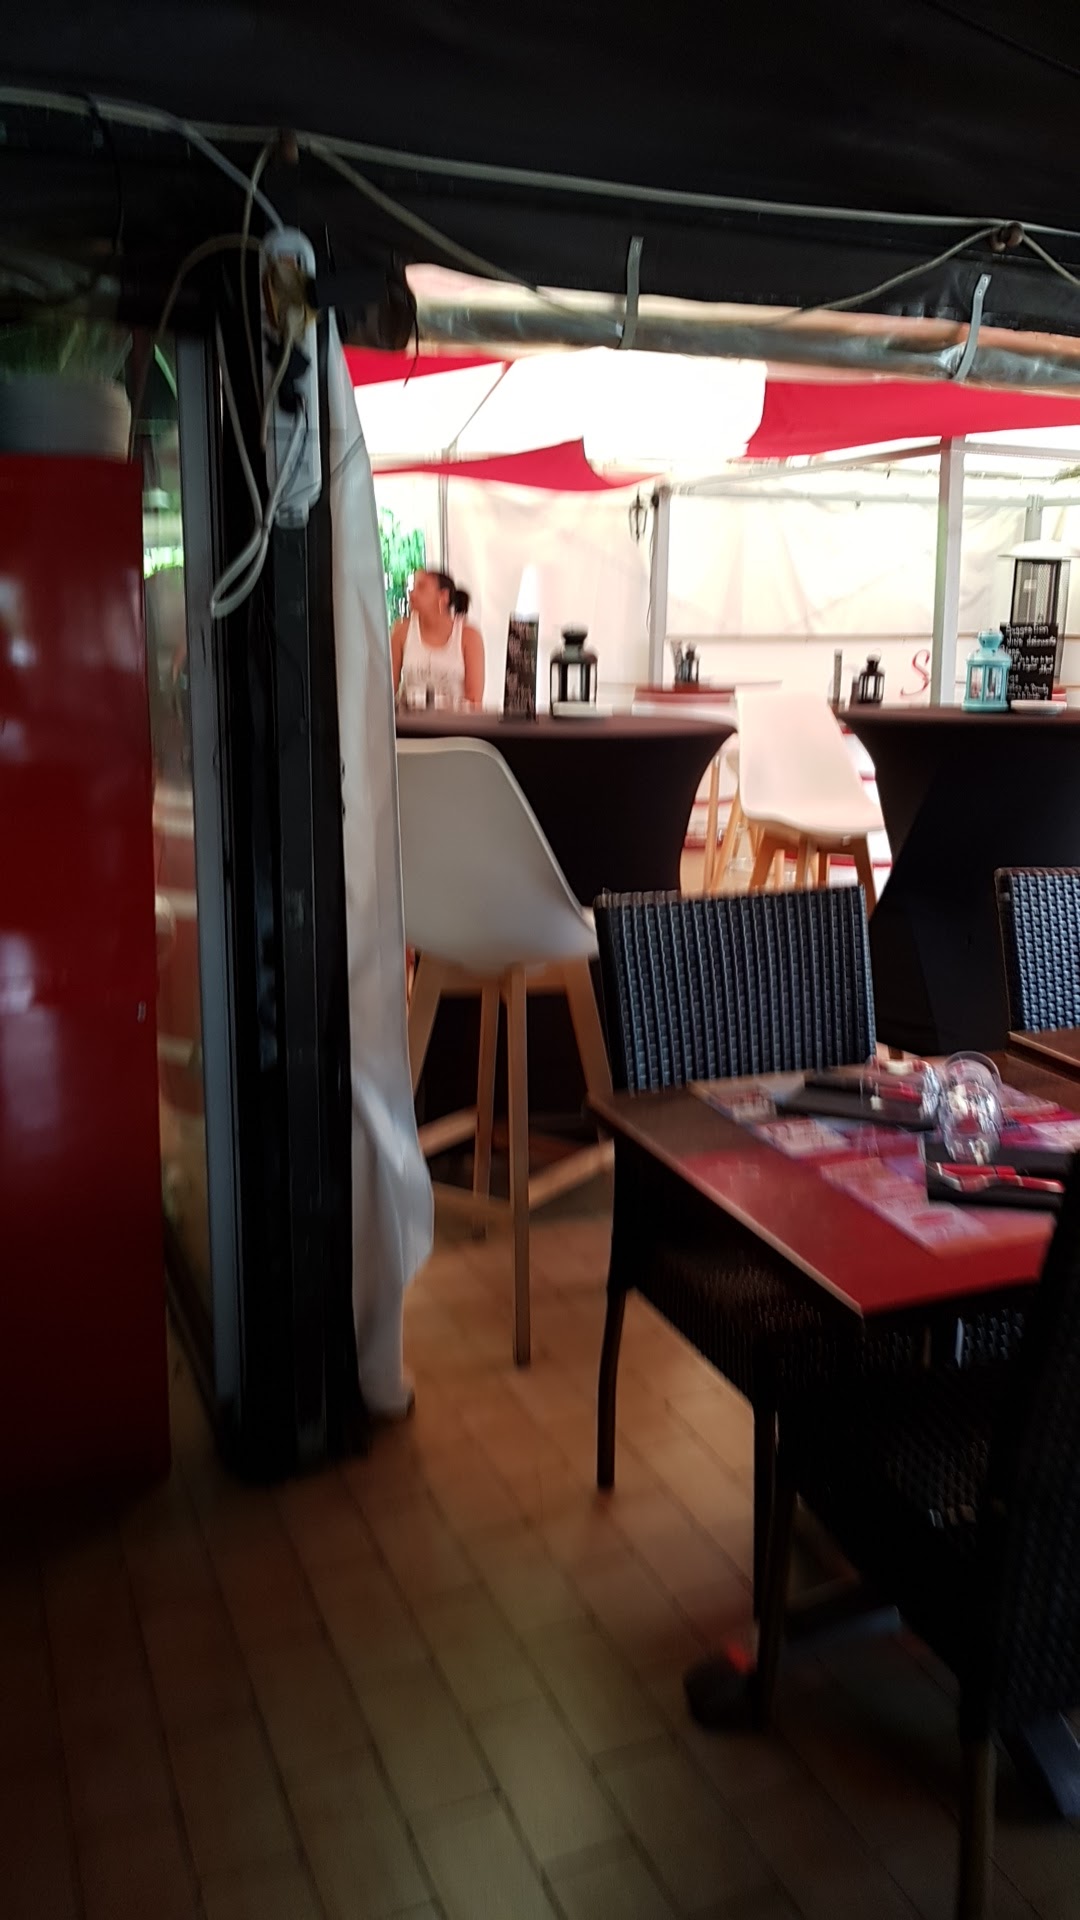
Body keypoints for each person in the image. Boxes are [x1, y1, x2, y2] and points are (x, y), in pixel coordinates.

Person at [391, 568, 485, 707]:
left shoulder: (469, 635)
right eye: (412, 587)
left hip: (455, 719)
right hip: (408, 718)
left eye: (421, 588)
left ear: (443, 596)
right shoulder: (401, 630)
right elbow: (388, 689)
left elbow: (474, 700)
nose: (412, 593)